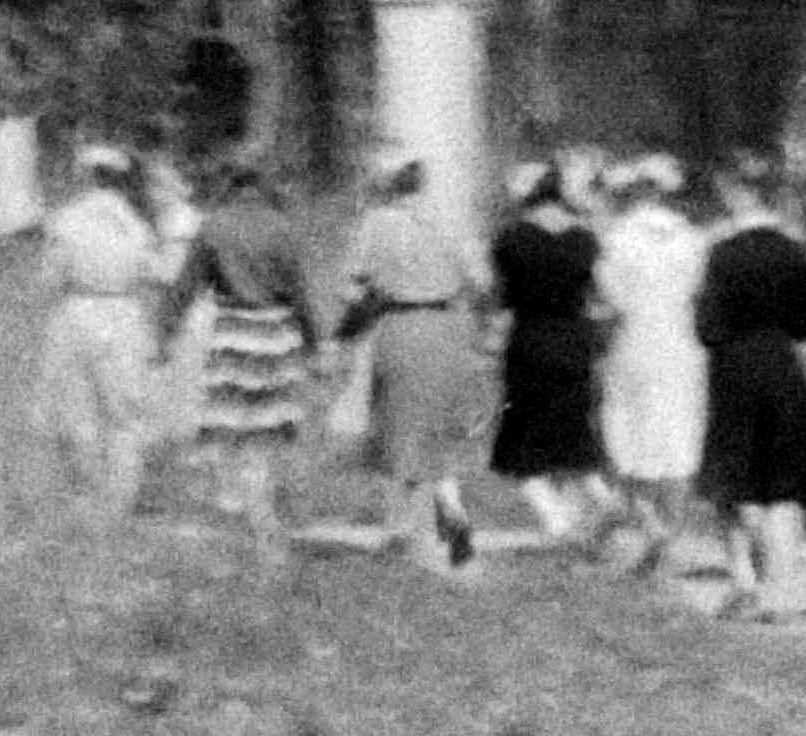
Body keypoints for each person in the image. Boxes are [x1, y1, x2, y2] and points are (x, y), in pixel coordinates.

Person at [695, 159, 806, 620]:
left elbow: (708, 328)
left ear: (736, 192)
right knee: (782, 480)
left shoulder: (721, 252)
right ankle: (782, 588)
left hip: (734, 371)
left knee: (734, 477)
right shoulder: (794, 251)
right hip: (782, 367)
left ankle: (745, 580)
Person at [336, 150, 496, 568]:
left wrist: (345, 332)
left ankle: (398, 529)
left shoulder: (375, 224)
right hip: (448, 327)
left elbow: (354, 290)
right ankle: (452, 509)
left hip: (401, 326)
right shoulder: (449, 223)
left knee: (400, 428)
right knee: (436, 430)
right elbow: (480, 284)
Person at [179, 168, 326, 534]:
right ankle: (261, 503)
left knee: (229, 417)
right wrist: (313, 342)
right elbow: (299, 293)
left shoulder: (213, 225)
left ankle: (232, 497)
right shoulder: (282, 227)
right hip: (274, 332)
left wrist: (165, 331)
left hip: (232, 330)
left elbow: (186, 285)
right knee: (267, 423)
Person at [36, 144, 177, 513]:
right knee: (125, 409)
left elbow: (49, 279)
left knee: (78, 405)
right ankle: (120, 498)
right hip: (123, 312)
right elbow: (160, 273)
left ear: (87, 176)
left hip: (77, 310)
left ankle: (86, 494)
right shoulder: (135, 224)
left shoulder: (65, 220)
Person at [593, 157, 714, 560]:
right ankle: (671, 531)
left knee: (627, 434)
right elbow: (700, 291)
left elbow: (611, 298)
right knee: (678, 436)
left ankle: (648, 519)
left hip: (635, 342)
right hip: (681, 344)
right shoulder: (691, 238)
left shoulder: (618, 238)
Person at [486, 160, 613, 544]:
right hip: (576, 342)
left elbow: (500, 298)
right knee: (574, 434)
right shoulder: (585, 238)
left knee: (521, 443)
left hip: (530, 342)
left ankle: (555, 521)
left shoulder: (510, 238)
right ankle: (604, 498)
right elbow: (600, 296)